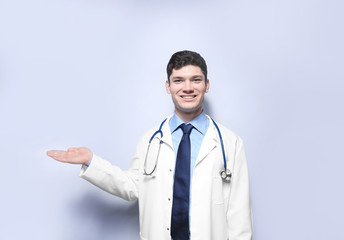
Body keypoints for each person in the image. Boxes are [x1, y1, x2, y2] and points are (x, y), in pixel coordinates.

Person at [47, 50, 253, 240]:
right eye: (179, 80)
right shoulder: (150, 139)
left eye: (196, 80)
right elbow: (132, 186)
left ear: (206, 85)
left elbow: (239, 214)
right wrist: (91, 161)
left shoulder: (230, 142)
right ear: (168, 86)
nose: (188, 87)